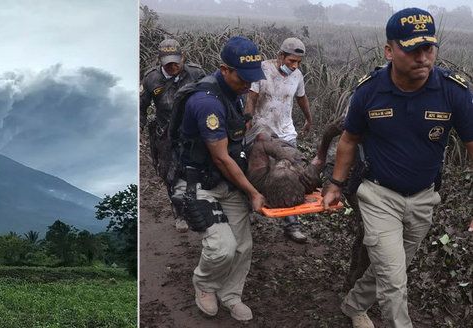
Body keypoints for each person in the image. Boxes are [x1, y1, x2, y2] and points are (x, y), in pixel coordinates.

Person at [322, 8, 473, 328]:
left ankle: (353, 305)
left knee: (392, 265)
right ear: (389, 51)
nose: (422, 57)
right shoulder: (369, 91)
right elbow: (348, 140)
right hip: (378, 195)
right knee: (393, 280)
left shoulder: (453, 91)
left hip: (424, 197)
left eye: (428, 48)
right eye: (412, 49)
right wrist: (335, 184)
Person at [169, 35, 266, 321]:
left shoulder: (234, 94)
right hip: (199, 183)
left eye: (252, 78)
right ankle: (205, 285)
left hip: (228, 181)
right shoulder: (206, 103)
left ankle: (231, 294)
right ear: (225, 70)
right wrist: (253, 192)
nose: (248, 85)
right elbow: (221, 157)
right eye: (243, 78)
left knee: (243, 245)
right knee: (222, 248)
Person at [245, 37, 312, 243]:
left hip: (286, 133)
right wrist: (247, 120)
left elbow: (301, 97)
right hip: (262, 131)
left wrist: (309, 118)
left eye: (298, 62)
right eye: (291, 61)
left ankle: (292, 225)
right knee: (257, 174)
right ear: (280, 55)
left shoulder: (297, 75)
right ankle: (247, 212)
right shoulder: (261, 70)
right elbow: (252, 97)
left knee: (290, 177)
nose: (294, 66)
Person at [140, 39, 206, 233]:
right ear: (160, 60)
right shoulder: (151, 79)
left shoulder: (196, 73)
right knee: (170, 175)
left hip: (193, 132)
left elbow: (210, 96)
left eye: (176, 61)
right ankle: (179, 213)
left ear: (183, 57)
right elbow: (140, 108)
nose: (173, 66)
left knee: (196, 171)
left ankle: (199, 205)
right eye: (167, 62)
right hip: (166, 134)